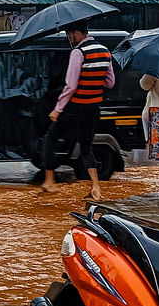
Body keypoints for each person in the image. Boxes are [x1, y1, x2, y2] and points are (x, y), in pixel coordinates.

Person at [41, 23, 115, 199]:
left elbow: (70, 85)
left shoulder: (78, 52)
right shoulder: (105, 51)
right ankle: (96, 187)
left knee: (50, 138)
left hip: (75, 107)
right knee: (86, 146)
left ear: (76, 33)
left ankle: (49, 181)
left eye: (70, 34)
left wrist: (57, 110)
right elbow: (110, 82)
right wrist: (94, 79)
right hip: (93, 108)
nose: (69, 38)